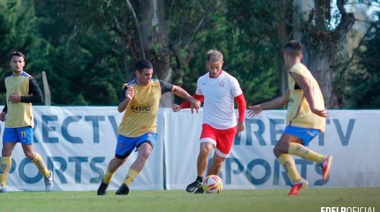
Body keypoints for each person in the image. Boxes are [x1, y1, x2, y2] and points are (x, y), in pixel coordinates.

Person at [97, 58, 199, 196]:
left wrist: (191, 99)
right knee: (119, 161)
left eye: (151, 74)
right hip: (128, 131)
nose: (149, 77)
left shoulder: (157, 85)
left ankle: (125, 185)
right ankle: (105, 181)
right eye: (146, 74)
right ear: (137, 73)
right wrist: (128, 99)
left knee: (145, 153)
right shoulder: (129, 87)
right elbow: (120, 109)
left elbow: (175, 89)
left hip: (148, 129)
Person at [248, 40, 332, 195]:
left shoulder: (296, 70)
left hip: (305, 117)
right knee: (279, 149)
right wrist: (262, 106)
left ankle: (321, 160)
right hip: (309, 118)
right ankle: (297, 180)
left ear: (285, 55)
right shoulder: (301, 70)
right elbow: (284, 99)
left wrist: (314, 108)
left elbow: (307, 87)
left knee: (281, 147)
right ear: (300, 55)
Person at [173, 49, 246, 194]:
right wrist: (181, 106)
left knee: (218, 162)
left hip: (228, 127)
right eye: (212, 67)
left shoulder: (230, 81)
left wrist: (241, 121)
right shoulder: (202, 80)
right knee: (205, 149)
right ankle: (199, 180)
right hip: (210, 124)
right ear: (207, 64)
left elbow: (242, 102)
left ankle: (206, 186)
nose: (214, 70)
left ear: (222, 64)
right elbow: (197, 99)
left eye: (217, 67)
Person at [0, 51, 54, 193]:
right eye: (14, 61)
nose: (17, 64)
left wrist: (21, 98)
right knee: (5, 152)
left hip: (24, 121)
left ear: (24, 63)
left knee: (29, 154)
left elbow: (39, 98)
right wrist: (5, 111)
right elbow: (9, 99)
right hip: (11, 122)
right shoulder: (7, 79)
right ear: (10, 63)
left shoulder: (28, 79)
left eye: (20, 61)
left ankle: (48, 175)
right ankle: (2, 186)